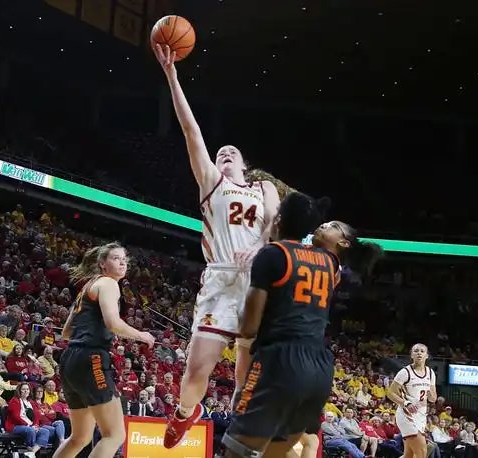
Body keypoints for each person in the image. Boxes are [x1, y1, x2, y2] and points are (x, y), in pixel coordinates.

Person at [154, 43, 282, 449]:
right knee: (195, 374)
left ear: (244, 165)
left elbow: (275, 225)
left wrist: (260, 245)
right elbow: (191, 130)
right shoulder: (212, 183)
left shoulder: (264, 188)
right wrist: (173, 77)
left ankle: (247, 438)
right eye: (220, 152)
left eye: (232, 153)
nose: (224, 154)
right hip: (221, 280)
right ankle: (186, 411)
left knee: (248, 377)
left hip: (258, 283)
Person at [222, 192, 381, 458]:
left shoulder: (275, 254)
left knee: (237, 452)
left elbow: (248, 328)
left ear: (343, 242)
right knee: (278, 453)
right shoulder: (333, 267)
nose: (324, 224)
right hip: (318, 369)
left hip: (280, 360)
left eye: (332, 225)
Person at [52, 243, 155, 458]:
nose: (123, 262)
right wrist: (142, 335)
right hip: (92, 358)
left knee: (80, 437)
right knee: (114, 435)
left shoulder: (87, 287)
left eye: (125, 258)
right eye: (116, 258)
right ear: (102, 264)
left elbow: (67, 332)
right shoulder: (108, 283)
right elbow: (113, 323)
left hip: (70, 359)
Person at [386, 343, 437, 458]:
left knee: (409, 455)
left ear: (427, 356)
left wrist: (431, 395)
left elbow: (433, 398)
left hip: (421, 416)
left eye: (422, 351)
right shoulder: (405, 372)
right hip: (407, 415)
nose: (419, 353)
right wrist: (406, 403)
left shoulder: (430, 373)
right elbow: (390, 393)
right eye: (416, 351)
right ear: (411, 355)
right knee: (422, 452)